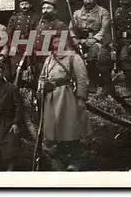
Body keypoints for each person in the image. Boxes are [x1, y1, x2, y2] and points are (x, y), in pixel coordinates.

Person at [38, 33, 91, 171]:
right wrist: (40, 89)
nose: (57, 45)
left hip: (66, 96)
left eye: (59, 42)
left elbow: (82, 79)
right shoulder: (49, 59)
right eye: (54, 42)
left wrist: (81, 98)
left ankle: (76, 159)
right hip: (50, 97)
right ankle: (60, 156)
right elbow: (42, 77)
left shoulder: (74, 57)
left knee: (70, 127)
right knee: (55, 128)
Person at [69, 0, 114, 96]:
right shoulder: (76, 13)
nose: (88, 1)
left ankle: (94, 81)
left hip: (98, 41)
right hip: (80, 41)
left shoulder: (103, 12)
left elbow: (105, 29)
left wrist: (94, 39)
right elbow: (70, 29)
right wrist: (75, 39)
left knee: (93, 55)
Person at [6, 0, 41, 85]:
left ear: (30, 5)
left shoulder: (35, 17)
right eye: (22, 4)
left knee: (30, 67)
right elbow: (9, 33)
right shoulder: (15, 17)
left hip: (30, 43)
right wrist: (12, 45)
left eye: (26, 4)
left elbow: (37, 32)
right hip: (16, 43)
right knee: (14, 66)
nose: (24, 6)